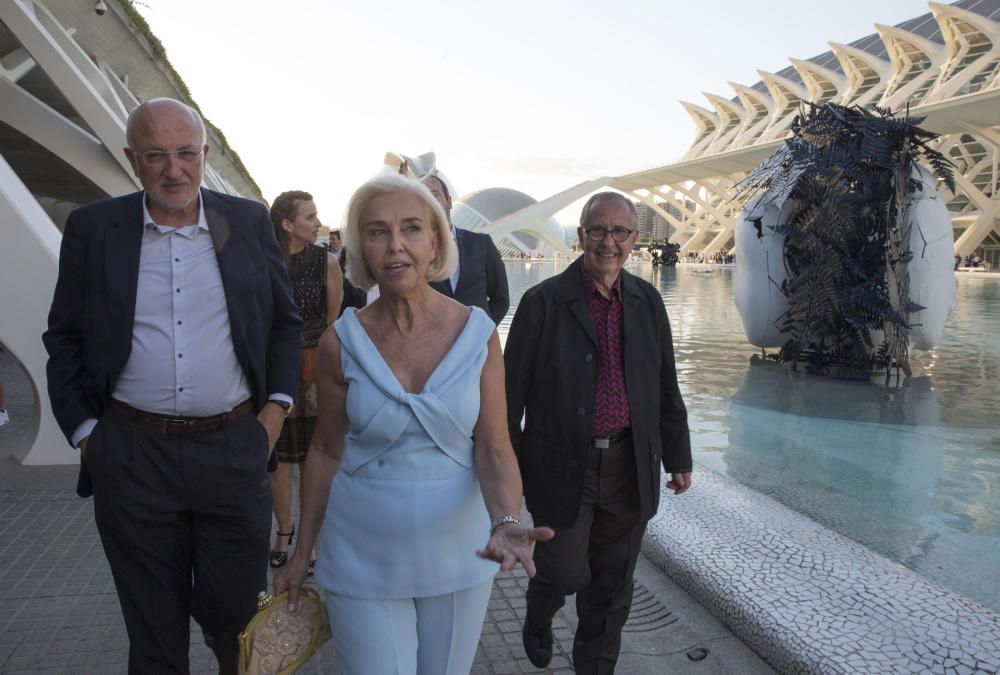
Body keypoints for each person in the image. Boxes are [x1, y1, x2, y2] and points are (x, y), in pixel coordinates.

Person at [42, 98, 302, 674]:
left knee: (238, 623)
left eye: (186, 153)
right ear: (133, 159)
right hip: (132, 456)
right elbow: (64, 337)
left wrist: (273, 416)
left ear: (204, 155)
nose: (174, 169)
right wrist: (89, 435)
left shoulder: (249, 220)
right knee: (154, 635)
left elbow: (285, 324)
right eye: (156, 155)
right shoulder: (94, 229)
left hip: (233, 448)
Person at [273, 171, 552, 674]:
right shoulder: (341, 341)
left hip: (460, 552)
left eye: (411, 229)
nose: (396, 246)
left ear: (436, 242)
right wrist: (300, 552)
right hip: (360, 553)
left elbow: (494, 448)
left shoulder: (478, 334)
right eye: (378, 231)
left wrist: (507, 520)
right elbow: (325, 451)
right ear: (361, 246)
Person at [505, 191, 692, 673]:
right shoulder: (542, 302)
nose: (608, 242)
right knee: (564, 570)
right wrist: (512, 470)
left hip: (631, 465)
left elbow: (665, 384)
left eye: (620, 232)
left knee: (611, 588)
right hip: (563, 464)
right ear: (580, 235)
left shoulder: (647, 302)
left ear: (633, 238)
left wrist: (679, 457)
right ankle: (540, 610)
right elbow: (510, 396)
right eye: (597, 231)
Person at [268, 191, 343, 573]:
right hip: (274, 366)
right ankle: (284, 530)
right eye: (309, 217)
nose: (317, 223)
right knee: (277, 458)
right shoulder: (266, 257)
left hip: (314, 365)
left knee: (314, 458)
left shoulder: (326, 261)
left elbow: (334, 324)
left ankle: (308, 542)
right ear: (287, 224)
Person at [421, 170, 510, 325]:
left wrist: (483, 332)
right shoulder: (414, 251)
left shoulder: (482, 244)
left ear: (449, 202)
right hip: (431, 344)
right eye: (423, 197)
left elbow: (501, 299)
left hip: (478, 344)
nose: (430, 201)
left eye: (434, 194)